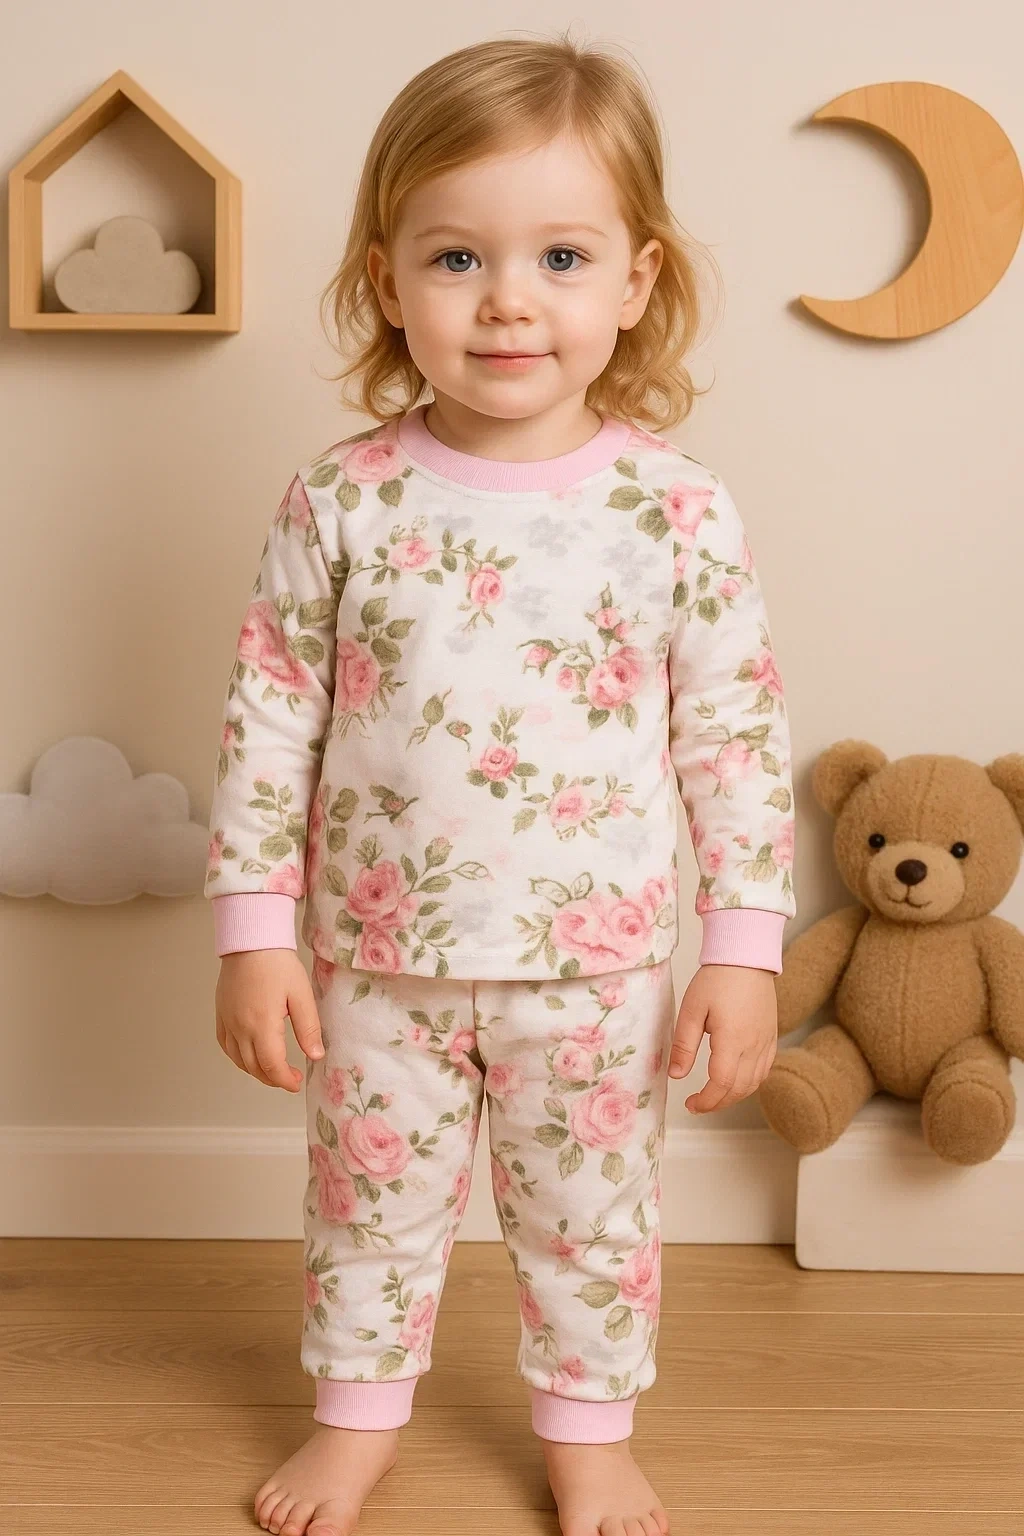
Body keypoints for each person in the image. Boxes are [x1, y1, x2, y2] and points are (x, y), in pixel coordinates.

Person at [205, 29, 796, 1536]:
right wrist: (252, 933)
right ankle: (356, 1425)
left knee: (592, 1221)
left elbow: (733, 738)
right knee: (367, 1207)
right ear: (389, 281)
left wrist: (744, 949)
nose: (509, 300)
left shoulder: (676, 511)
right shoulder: (341, 498)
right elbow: (270, 720)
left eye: (561, 258)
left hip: (597, 969)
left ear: (637, 283)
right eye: (458, 257)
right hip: (375, 960)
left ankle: (589, 1437)